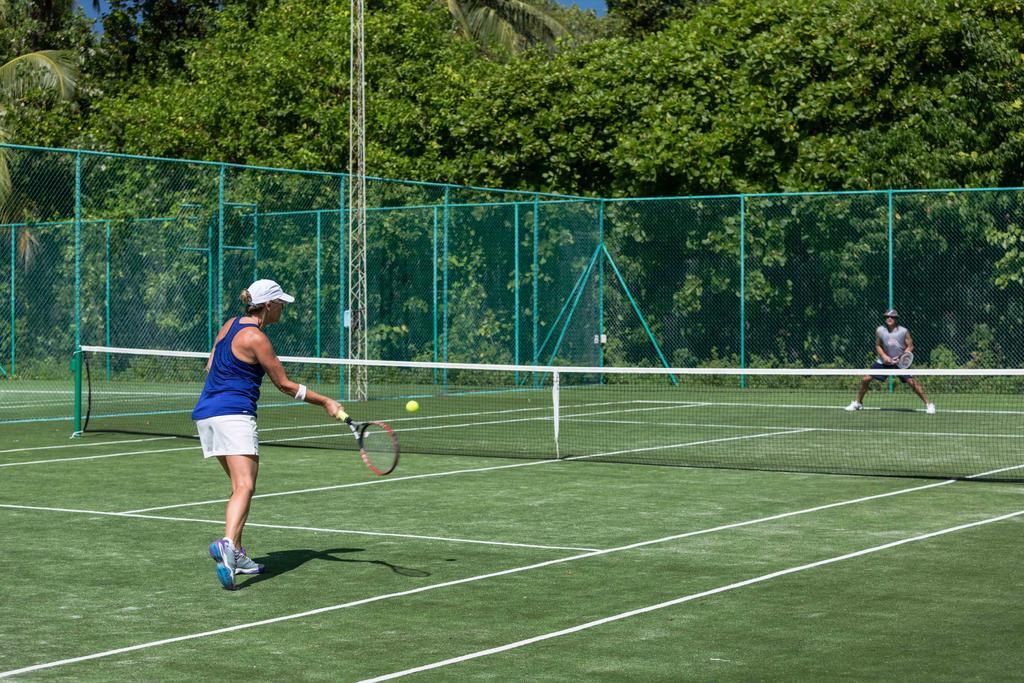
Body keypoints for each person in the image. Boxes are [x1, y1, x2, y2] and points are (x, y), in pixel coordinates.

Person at [192, 279, 342, 590]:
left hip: (206, 415)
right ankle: (228, 545)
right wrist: (326, 401)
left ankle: (240, 555)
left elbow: (210, 365)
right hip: (234, 414)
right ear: (268, 306)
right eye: (281, 304)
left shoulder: (230, 325)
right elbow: (285, 385)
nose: (283, 309)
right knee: (245, 485)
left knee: (238, 487)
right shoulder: (256, 337)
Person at [845, 308, 935, 414]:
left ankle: (929, 405)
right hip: (884, 362)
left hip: (900, 362)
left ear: (896, 319)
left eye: (892, 317)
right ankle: (858, 403)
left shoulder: (904, 331)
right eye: (887, 316)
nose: (889, 318)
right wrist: (884, 356)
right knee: (866, 379)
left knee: (911, 382)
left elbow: (910, 346)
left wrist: (901, 357)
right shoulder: (879, 330)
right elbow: (878, 346)